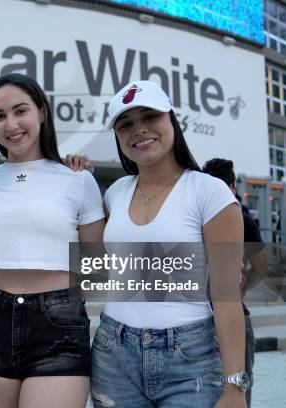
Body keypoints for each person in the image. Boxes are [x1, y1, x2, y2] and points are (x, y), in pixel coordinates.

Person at [91, 80, 247, 408]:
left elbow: (227, 297)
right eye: (126, 124)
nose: (139, 130)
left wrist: (235, 386)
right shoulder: (115, 192)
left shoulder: (210, 192)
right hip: (113, 353)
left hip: (191, 358)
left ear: (171, 120)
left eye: (150, 117)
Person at [0, 73, 105, 408]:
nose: (11, 124)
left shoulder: (78, 180)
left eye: (20, 111)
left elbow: (96, 266)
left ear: (41, 112)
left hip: (58, 324)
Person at [202, 158, 269, 407]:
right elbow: (262, 265)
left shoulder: (199, 215)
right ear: (233, 185)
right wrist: (243, 288)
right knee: (238, 392)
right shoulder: (240, 216)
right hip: (223, 315)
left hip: (206, 316)